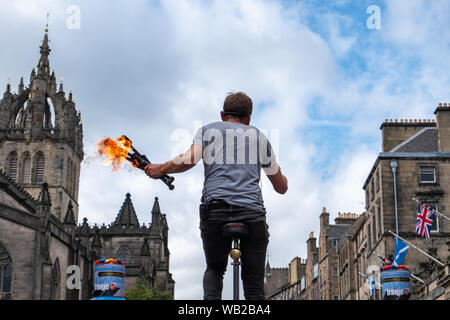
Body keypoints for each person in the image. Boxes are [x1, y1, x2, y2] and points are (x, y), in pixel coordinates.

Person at [145, 92, 288, 300]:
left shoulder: (208, 131)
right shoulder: (259, 137)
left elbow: (188, 159)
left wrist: (162, 169)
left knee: (214, 268)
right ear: (248, 118)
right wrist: (283, 178)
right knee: (254, 285)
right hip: (252, 214)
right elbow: (281, 187)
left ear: (222, 115)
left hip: (216, 211)